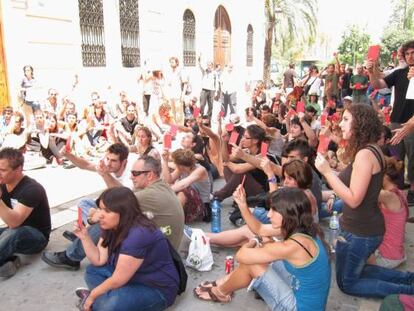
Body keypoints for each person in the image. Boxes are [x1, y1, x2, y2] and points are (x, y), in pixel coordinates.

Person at [315, 104, 414, 298]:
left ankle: (408, 291)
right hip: (364, 229)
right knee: (359, 271)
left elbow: (353, 199)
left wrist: (326, 172)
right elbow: (352, 182)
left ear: (359, 124)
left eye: (345, 120)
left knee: (347, 284)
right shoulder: (370, 150)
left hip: (360, 232)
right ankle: (408, 279)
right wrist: (330, 173)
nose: (340, 124)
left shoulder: (365, 154)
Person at [193, 187, 331, 311]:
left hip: (299, 307)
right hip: (301, 289)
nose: (269, 214)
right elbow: (259, 228)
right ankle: (224, 285)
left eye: (274, 210)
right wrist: (242, 205)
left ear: (289, 214)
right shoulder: (302, 227)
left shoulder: (294, 245)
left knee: (253, 264)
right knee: (263, 248)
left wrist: (254, 241)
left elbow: (241, 256)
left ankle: (220, 292)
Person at [41, 155, 184, 270]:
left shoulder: (148, 195)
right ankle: (86, 239)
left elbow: (117, 201)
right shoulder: (159, 186)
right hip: (161, 242)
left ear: (150, 175)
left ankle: (72, 256)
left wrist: (94, 215)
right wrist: (104, 175)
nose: (131, 176)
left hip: (157, 254)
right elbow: (122, 194)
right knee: (88, 204)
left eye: (135, 173)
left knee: (105, 221)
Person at [74, 187, 179, 311]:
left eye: (107, 211)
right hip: (129, 278)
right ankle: (105, 299)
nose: (100, 215)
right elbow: (99, 260)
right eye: (100, 208)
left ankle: (99, 301)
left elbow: (119, 279)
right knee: (92, 271)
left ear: (124, 212)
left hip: (155, 288)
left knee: (111, 306)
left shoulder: (139, 234)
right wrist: (84, 237)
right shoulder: (112, 225)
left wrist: (93, 295)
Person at [367, 39, 414, 205]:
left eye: (413, 53)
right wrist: (372, 71)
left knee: (413, 157)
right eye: (407, 53)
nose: (410, 56)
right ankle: (398, 191)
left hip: (412, 125)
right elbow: (377, 84)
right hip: (395, 123)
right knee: (395, 158)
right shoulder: (400, 73)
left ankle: (412, 193)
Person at [0, 148, 51, 277]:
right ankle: (8, 262)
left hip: (36, 237)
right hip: (12, 231)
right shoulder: (3, 183)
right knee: (10, 233)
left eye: (3, 170)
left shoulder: (32, 189)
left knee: (15, 232)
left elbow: (14, 222)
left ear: (18, 169)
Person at [367, 157, 409, 269]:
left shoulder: (387, 196)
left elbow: (360, 194)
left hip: (386, 258)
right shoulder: (399, 192)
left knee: (348, 250)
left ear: (384, 176)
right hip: (396, 254)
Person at [161, 148, 210, 223]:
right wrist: (165, 161)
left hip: (202, 206)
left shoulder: (200, 170)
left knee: (184, 190)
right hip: (190, 203)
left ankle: (170, 219)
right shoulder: (181, 169)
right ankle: (167, 215)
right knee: (171, 185)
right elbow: (168, 180)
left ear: (180, 165)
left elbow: (183, 184)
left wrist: (160, 191)